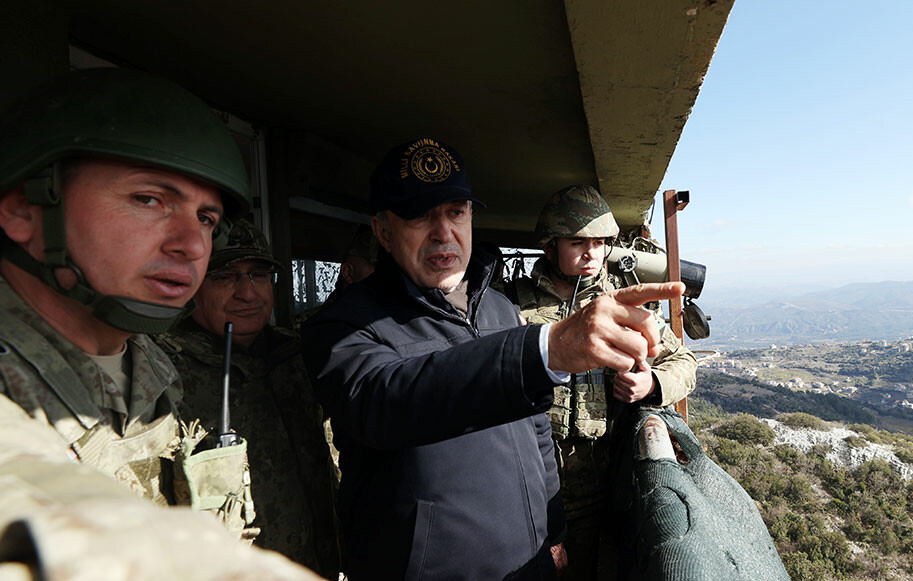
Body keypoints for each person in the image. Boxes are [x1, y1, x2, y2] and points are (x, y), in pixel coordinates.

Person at [0, 68, 319, 579]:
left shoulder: (149, 363)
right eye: (149, 200)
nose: (192, 244)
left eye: (206, 218)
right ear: (23, 208)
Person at [301, 137, 684, 580]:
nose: (443, 232)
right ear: (383, 230)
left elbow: (536, 429)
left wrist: (553, 528)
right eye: (420, 214)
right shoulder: (341, 326)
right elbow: (385, 400)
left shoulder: (497, 308)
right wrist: (547, 349)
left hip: (531, 561)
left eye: (456, 212)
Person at [504, 185, 697, 580]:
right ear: (550, 245)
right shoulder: (510, 304)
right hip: (524, 484)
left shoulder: (622, 305)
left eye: (599, 242)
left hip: (599, 484)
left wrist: (651, 385)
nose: (591, 252)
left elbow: (684, 362)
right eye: (577, 242)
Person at [154, 219, 341, 579]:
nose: (248, 293)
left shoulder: (298, 357)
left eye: (258, 275)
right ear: (192, 284)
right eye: (224, 277)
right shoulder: (164, 374)